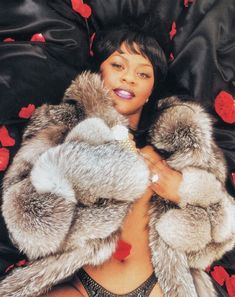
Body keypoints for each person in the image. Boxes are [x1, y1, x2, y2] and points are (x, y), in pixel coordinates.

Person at [1, 25, 234, 297]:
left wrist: (184, 189)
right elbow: (25, 222)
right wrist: (96, 166)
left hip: (160, 285)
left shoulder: (182, 144)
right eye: (118, 65)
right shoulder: (60, 126)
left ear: (150, 90)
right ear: (99, 71)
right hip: (79, 286)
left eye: (143, 73)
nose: (129, 79)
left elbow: (222, 234)